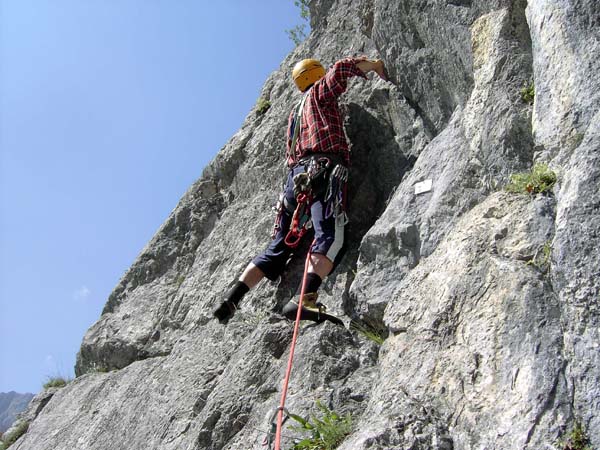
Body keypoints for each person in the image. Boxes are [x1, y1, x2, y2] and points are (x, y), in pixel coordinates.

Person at [214, 56, 386, 324]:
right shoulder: (318, 94)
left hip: (294, 184)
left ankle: (233, 296)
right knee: (330, 235)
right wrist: (375, 64)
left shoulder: (294, 117)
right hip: (322, 170)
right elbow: (340, 70)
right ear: (316, 75)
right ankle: (304, 300)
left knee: (279, 245)